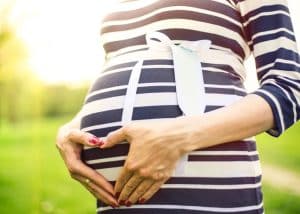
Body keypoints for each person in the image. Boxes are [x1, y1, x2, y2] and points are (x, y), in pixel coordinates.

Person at [56, 0, 300, 213]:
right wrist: (71, 129)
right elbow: (124, 74)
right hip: (117, 195)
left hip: (208, 190)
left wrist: (178, 137)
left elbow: (289, 86)